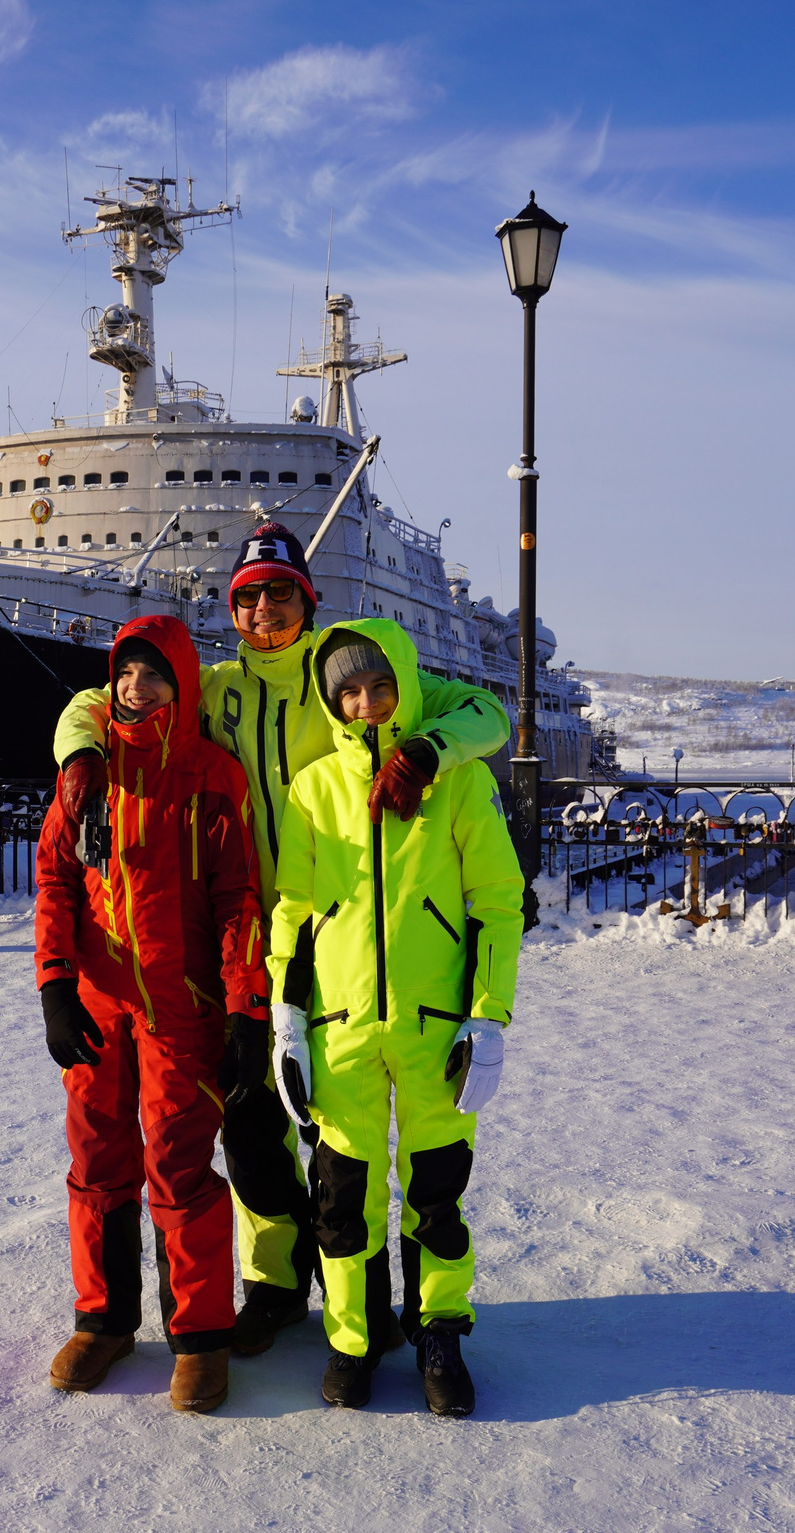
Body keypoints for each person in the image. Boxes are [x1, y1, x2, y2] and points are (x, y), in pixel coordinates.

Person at [50, 521, 511, 1356]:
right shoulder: (214, 682)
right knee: (253, 1120)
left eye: (282, 593)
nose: (265, 610)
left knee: (341, 1133)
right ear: (233, 607)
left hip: (342, 940)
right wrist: (79, 753)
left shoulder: (347, 674)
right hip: (240, 940)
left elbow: (487, 712)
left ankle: (363, 1290)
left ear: (308, 599)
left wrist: (429, 748)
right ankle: (273, 1279)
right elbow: (96, 700)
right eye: (250, 596)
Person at [266, 618, 521, 1418]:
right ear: (331, 699)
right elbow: (295, 910)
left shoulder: (457, 781)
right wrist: (286, 1014)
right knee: (341, 1198)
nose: (367, 703)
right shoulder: (315, 789)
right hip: (340, 1029)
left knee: (436, 1193)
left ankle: (440, 1329)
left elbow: (497, 902)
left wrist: (488, 1016)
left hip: (436, 1028)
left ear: (404, 686)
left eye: (380, 686)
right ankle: (352, 1338)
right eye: (349, 689)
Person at [34, 616, 270, 1415]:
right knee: (97, 1156)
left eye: (154, 674)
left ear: (182, 683)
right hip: (99, 996)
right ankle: (101, 1319)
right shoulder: (86, 775)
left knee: (177, 1161)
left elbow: (240, 899)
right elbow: (56, 882)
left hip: (183, 1003)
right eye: (125, 673)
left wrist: (245, 1006)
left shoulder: (212, 776)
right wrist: (55, 984)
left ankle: (200, 1337)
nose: (137, 687)